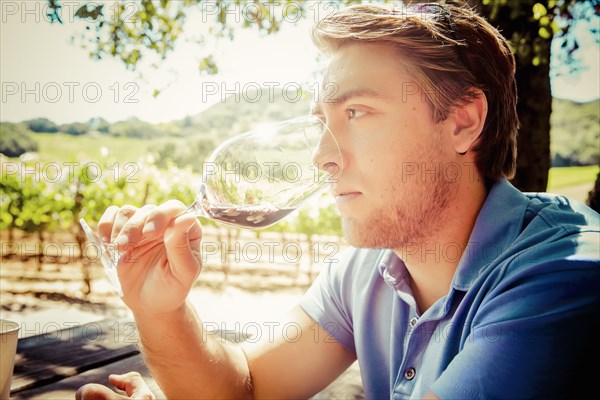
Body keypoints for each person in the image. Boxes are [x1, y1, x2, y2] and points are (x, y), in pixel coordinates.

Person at [77, 2, 600, 399]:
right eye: (322, 123)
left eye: (358, 112)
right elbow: (246, 387)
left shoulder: (564, 275)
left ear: (462, 121)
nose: (323, 157)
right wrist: (160, 310)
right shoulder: (369, 265)